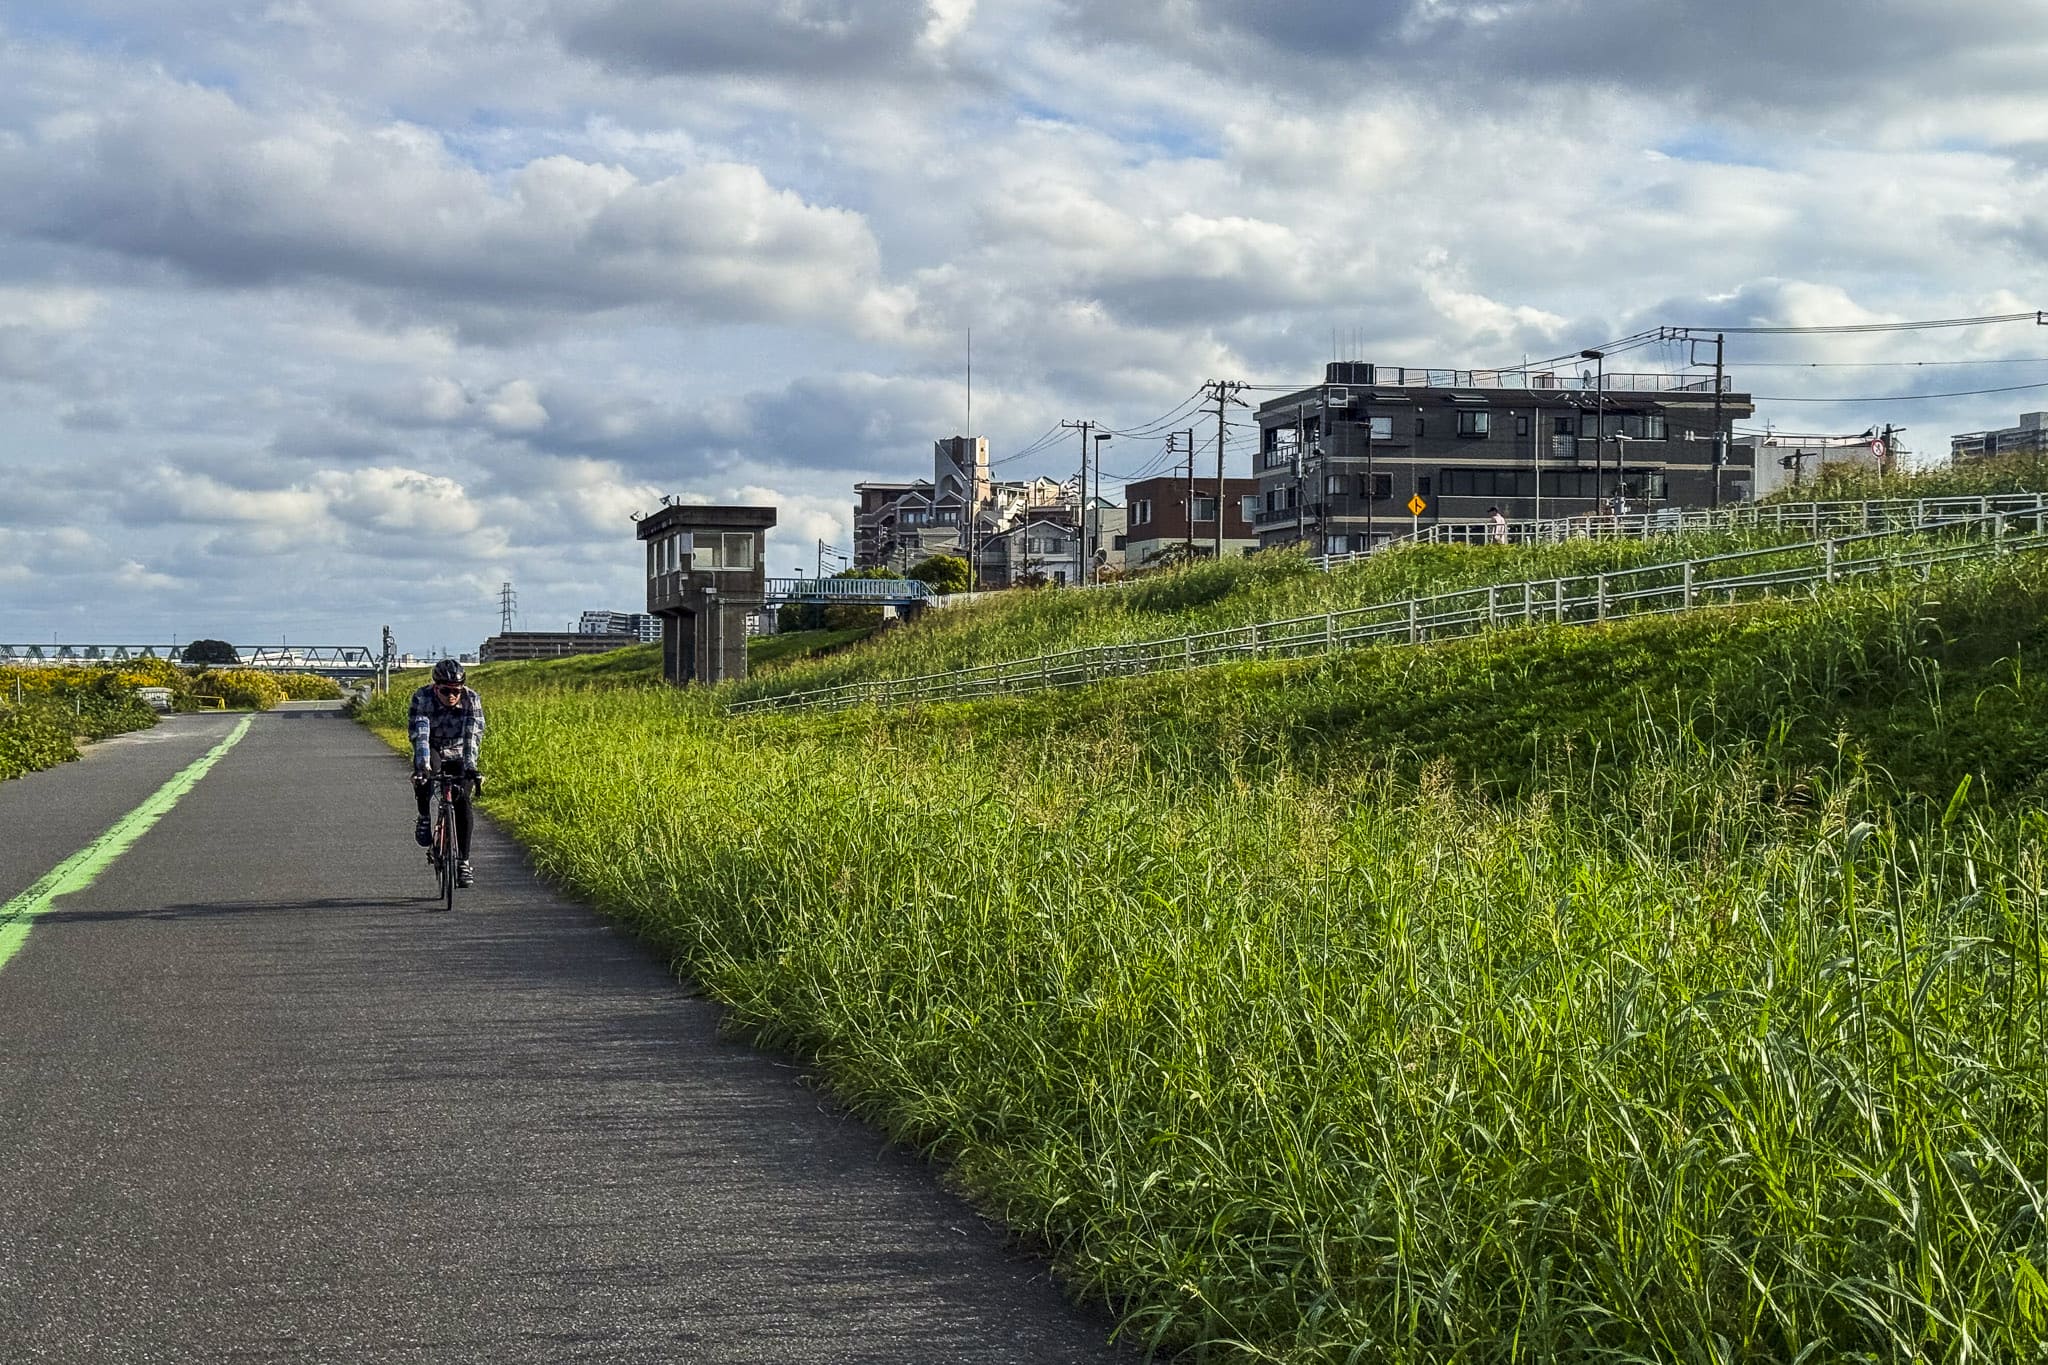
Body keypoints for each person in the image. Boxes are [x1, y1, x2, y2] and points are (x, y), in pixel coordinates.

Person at [409, 659, 484, 889]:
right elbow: (421, 735)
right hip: (433, 747)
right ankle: (424, 816)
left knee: (463, 801)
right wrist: (423, 766)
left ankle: (463, 861)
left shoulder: (471, 699)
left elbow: (472, 735)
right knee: (425, 776)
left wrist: (471, 767)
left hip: (459, 750)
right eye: (445, 691)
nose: (451, 696)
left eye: (456, 691)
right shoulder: (422, 698)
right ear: (435, 687)